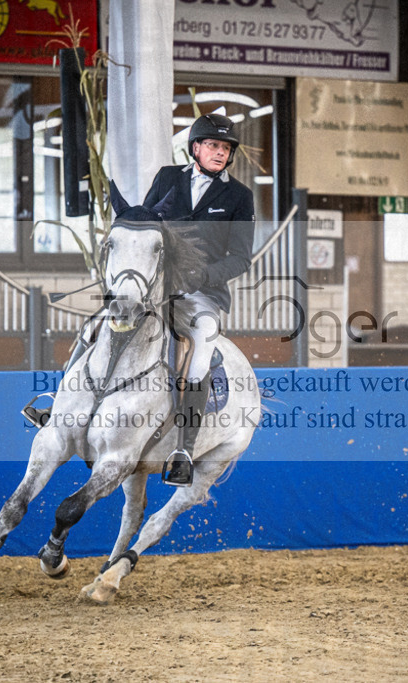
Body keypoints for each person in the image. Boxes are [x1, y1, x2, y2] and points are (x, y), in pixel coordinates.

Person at [142, 113, 255, 486]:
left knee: (202, 349)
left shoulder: (239, 197)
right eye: (212, 145)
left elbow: (241, 257)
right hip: (155, 286)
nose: (220, 153)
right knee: (102, 323)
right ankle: (58, 405)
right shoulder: (167, 179)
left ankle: (183, 451)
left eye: (225, 148)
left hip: (201, 294)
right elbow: (145, 225)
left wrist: (203, 275)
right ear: (195, 148)